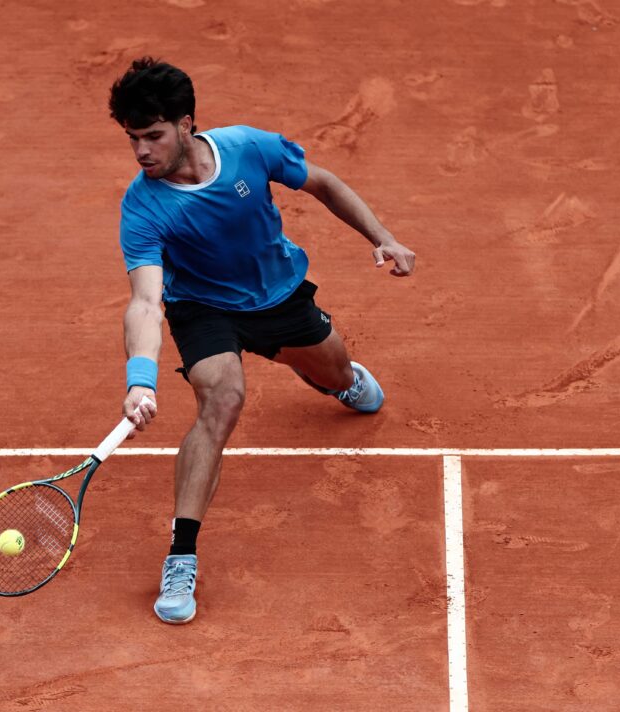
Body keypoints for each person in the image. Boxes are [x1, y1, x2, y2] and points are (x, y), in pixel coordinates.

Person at [108, 57, 415, 624]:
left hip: (279, 295)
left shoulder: (248, 148)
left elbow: (323, 182)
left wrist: (383, 237)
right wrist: (140, 380)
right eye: (133, 138)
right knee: (221, 399)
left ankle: (330, 377)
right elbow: (146, 302)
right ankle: (181, 555)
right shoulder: (143, 206)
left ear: (186, 124)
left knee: (343, 379)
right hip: (203, 308)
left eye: (153, 135)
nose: (141, 151)